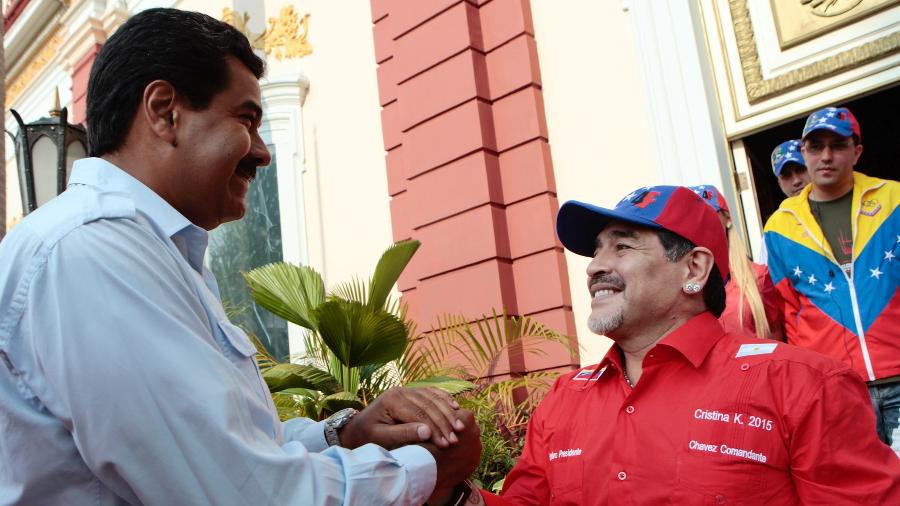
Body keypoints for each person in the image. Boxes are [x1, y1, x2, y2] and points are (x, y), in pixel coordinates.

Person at [0, 9, 480, 505]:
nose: (262, 151)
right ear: (165, 111)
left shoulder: (147, 250)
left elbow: (232, 449)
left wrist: (348, 432)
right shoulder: (91, 253)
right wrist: (429, 467)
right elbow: (240, 491)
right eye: (246, 120)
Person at [457, 185, 900, 505]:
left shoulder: (802, 385)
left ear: (694, 268)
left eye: (622, 247)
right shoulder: (562, 400)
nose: (594, 266)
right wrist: (449, 492)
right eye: (596, 250)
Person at [763, 106, 900, 454]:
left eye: (837, 145)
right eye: (816, 146)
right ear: (805, 150)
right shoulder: (778, 227)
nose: (826, 156)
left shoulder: (894, 199)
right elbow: (787, 310)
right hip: (838, 389)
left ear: (856, 152)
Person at [689, 185, 783, 341]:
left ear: (727, 218)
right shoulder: (682, 284)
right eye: (693, 216)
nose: (700, 222)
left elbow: (776, 340)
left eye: (708, 213)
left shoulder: (758, 276)